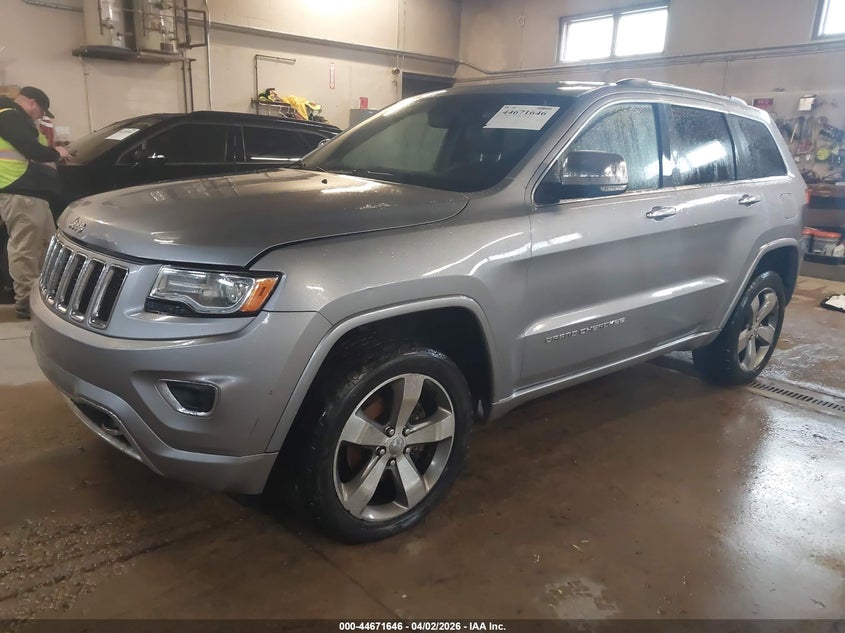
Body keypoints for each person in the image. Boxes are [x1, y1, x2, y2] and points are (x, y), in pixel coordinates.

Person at [0, 86, 71, 319]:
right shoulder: (9, 115)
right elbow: (33, 150)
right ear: (32, 102)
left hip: (32, 193)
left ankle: (43, 297)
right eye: (41, 111)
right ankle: (25, 302)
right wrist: (56, 153)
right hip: (19, 189)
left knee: (46, 245)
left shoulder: (17, 118)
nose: (40, 116)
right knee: (26, 249)